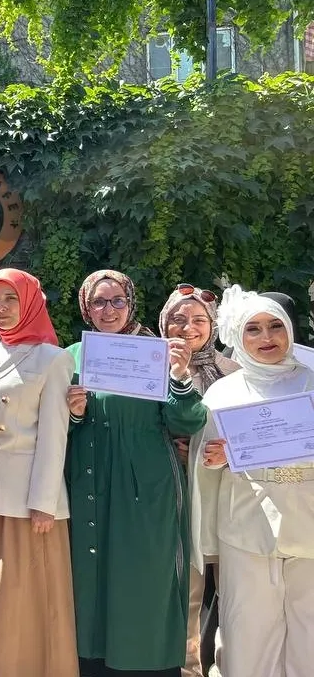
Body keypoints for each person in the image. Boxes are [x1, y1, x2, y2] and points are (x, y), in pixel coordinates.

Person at [65, 270, 206, 677]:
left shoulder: (156, 353)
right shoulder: (72, 356)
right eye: (98, 301)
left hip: (145, 488)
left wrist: (179, 377)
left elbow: (187, 421)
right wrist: (73, 414)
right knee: (91, 579)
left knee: (143, 580)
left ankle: (149, 665)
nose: (108, 310)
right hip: (90, 482)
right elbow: (55, 427)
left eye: (117, 301)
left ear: (130, 303)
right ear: (86, 307)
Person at [0, 268, 77, 677]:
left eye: (11, 299)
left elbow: (54, 436)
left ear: (30, 303)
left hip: (25, 501)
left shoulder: (53, 359)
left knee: (17, 597)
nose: (1, 308)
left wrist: (43, 502)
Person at [192, 286, 314, 677]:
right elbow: (204, 466)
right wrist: (214, 459)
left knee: (309, 632)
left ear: (290, 330)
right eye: (254, 329)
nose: (266, 337)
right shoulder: (222, 393)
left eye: (275, 326)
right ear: (239, 336)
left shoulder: (312, 383)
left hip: (308, 523)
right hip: (245, 527)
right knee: (246, 632)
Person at [158, 284, 238, 677]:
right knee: (186, 589)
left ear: (213, 325)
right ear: (164, 323)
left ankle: (228, 667)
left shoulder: (235, 373)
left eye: (199, 320)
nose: (188, 327)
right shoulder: (149, 369)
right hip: (176, 496)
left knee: (234, 593)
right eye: (178, 318)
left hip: (227, 498)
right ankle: (188, 669)